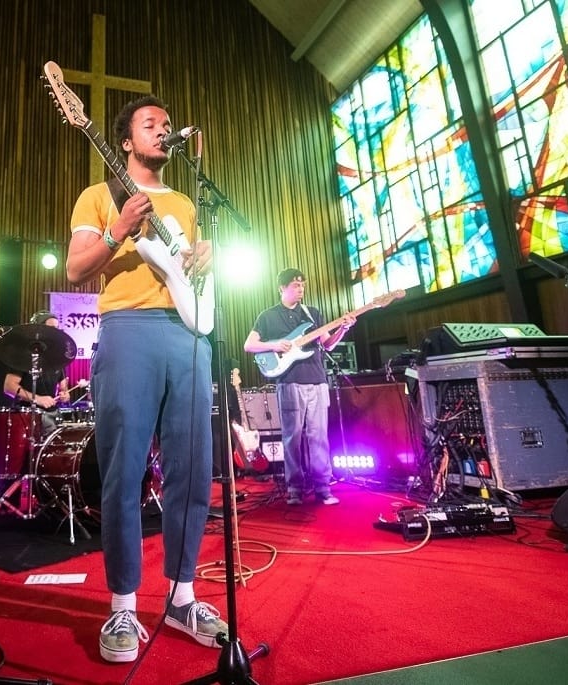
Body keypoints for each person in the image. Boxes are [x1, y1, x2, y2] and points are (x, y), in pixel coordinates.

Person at [64, 95, 224, 664]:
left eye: (165, 124)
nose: (162, 131)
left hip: (190, 334)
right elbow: (76, 267)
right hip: (128, 329)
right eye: (149, 125)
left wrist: (207, 252)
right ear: (125, 141)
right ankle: (124, 604)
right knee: (124, 470)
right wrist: (117, 232)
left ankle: (182, 596)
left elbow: (191, 265)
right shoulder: (97, 195)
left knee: (193, 468)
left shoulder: (184, 199)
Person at [243, 268, 354, 506]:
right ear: (282, 288)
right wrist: (274, 345)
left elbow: (329, 345)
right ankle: (294, 487)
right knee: (292, 436)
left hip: (317, 379)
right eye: (295, 285)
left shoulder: (312, 314)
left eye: (302, 284)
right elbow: (249, 345)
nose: (300, 288)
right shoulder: (268, 316)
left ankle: (322, 486)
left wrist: (343, 328)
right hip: (289, 380)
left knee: (319, 436)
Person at [2, 310, 71, 437]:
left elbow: (63, 387)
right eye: (51, 328)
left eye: (57, 328)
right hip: (28, 415)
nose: (55, 332)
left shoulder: (58, 357)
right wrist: (38, 399)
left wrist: (65, 394)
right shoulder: (25, 355)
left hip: (53, 414)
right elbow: (9, 387)